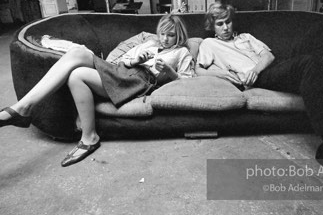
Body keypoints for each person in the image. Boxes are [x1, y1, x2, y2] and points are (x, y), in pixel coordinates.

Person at [195, 2, 323, 196]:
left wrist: (256, 69)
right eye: (220, 24)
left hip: (271, 69)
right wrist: (226, 75)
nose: (225, 27)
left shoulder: (245, 37)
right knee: (308, 63)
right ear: (212, 27)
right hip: (262, 79)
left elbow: (268, 56)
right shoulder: (209, 44)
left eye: (228, 22)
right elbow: (199, 69)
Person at [0, 14, 193, 167]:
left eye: (171, 35)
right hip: (122, 71)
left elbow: (188, 80)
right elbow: (124, 61)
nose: (165, 39)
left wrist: (168, 72)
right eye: (162, 34)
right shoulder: (150, 43)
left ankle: (23, 108)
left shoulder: (181, 52)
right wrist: (135, 59)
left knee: (79, 60)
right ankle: (89, 137)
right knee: (77, 72)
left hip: (138, 81)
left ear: (180, 36)